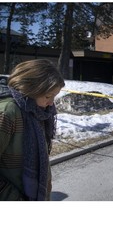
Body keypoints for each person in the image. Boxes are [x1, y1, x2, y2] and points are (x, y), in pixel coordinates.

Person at [0, 59, 65, 200]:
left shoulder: (36, 111)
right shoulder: (8, 112)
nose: (51, 103)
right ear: (31, 88)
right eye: (48, 96)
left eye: (54, 96)